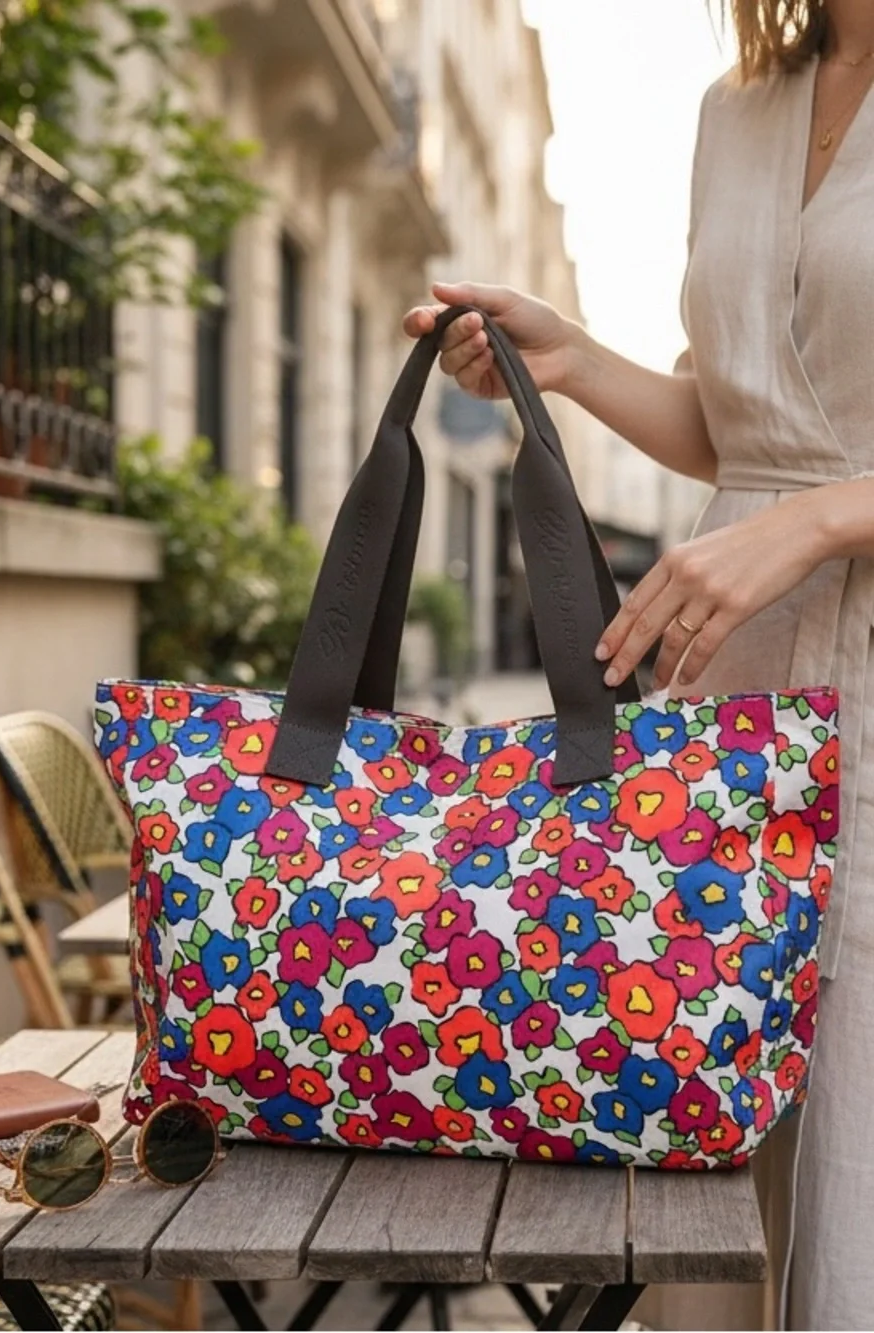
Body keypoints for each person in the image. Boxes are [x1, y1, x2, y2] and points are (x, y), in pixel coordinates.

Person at [404, 1, 874, 1329]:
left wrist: (824, 519)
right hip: (739, 693)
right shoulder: (737, 110)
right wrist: (574, 363)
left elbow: (804, 481)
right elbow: (743, 422)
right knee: (706, 1149)